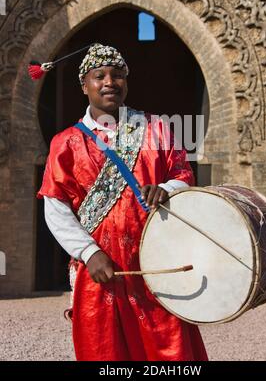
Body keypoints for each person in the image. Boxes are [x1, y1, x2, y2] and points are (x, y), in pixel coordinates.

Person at [37, 43, 208, 361]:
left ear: (126, 83)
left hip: (157, 266)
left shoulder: (157, 129)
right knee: (105, 353)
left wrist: (167, 188)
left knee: (170, 353)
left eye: (117, 75)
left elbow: (184, 175)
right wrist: (89, 254)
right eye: (99, 75)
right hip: (101, 271)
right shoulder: (66, 144)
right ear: (84, 85)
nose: (109, 82)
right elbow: (56, 206)